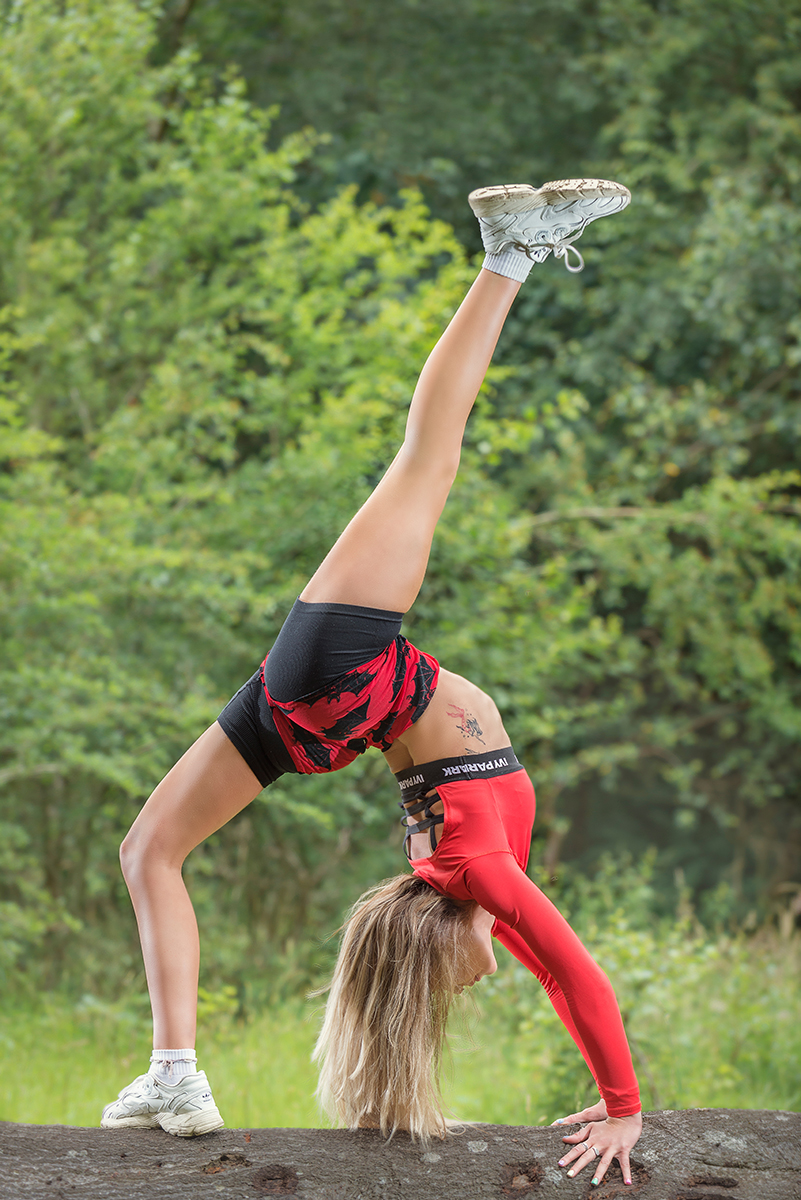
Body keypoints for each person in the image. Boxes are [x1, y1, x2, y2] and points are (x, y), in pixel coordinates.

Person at [101, 178, 641, 1188]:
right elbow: (563, 979)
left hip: (344, 684)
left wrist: (626, 1110)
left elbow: (577, 975)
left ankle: (510, 251)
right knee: (149, 851)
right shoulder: (485, 896)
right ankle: (172, 1071)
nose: (478, 985)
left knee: (428, 457)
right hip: (330, 716)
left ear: (448, 948)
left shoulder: (475, 884)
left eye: (453, 988)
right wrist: (614, 1096)